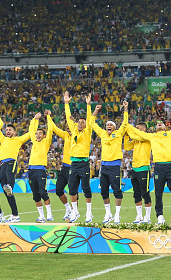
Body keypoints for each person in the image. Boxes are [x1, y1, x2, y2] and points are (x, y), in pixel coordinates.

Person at [127, 106, 171, 224]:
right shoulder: (151, 136)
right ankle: (159, 215)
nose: (159, 124)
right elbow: (137, 132)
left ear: (166, 127)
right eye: (157, 124)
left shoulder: (170, 134)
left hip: (170, 167)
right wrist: (126, 123)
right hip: (158, 167)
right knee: (158, 193)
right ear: (155, 128)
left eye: (161, 123)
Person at [89, 101, 129, 224]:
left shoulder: (119, 133)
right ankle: (108, 214)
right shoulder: (102, 134)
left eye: (111, 125)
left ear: (114, 127)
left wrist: (126, 109)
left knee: (117, 190)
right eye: (107, 125)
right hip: (104, 166)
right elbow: (91, 123)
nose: (109, 126)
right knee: (104, 191)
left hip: (115, 165)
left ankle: (117, 215)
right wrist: (95, 110)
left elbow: (125, 123)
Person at [64, 91, 94, 223]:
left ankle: (89, 213)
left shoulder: (87, 132)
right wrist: (66, 103)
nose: (80, 124)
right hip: (74, 163)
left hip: (83, 163)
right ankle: (75, 212)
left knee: (86, 187)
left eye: (83, 122)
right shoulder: (74, 130)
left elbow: (89, 119)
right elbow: (68, 117)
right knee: (72, 189)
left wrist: (88, 105)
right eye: (79, 122)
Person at [0, 123, 30, 223]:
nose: (8, 131)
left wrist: (35, 120)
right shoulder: (3, 139)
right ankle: (15, 215)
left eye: (10, 130)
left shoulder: (18, 140)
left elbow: (30, 133)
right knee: (7, 193)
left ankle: (10, 186)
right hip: (2, 163)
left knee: (9, 176)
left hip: (12, 161)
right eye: (6, 130)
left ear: (14, 132)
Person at [27, 111, 54, 223]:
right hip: (31, 170)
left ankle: (49, 214)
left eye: (40, 134)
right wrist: (35, 119)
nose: (37, 135)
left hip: (40, 170)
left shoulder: (46, 142)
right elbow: (31, 130)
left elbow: (51, 130)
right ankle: (41, 217)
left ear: (44, 136)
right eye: (37, 133)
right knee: (36, 195)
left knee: (43, 192)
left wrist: (48, 117)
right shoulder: (34, 141)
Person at [124, 122, 153, 224]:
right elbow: (127, 147)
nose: (135, 129)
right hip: (135, 169)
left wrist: (127, 127)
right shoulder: (136, 140)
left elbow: (134, 134)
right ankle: (139, 216)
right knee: (136, 194)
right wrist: (126, 136)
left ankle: (147, 217)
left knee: (145, 193)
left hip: (144, 169)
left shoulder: (147, 137)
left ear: (143, 129)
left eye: (137, 128)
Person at [49, 118, 75, 222]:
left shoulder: (78, 135)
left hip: (73, 166)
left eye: (70, 127)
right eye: (67, 127)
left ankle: (74, 212)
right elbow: (55, 128)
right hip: (64, 167)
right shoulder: (65, 135)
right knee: (59, 190)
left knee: (72, 191)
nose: (68, 129)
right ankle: (68, 209)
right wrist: (48, 117)